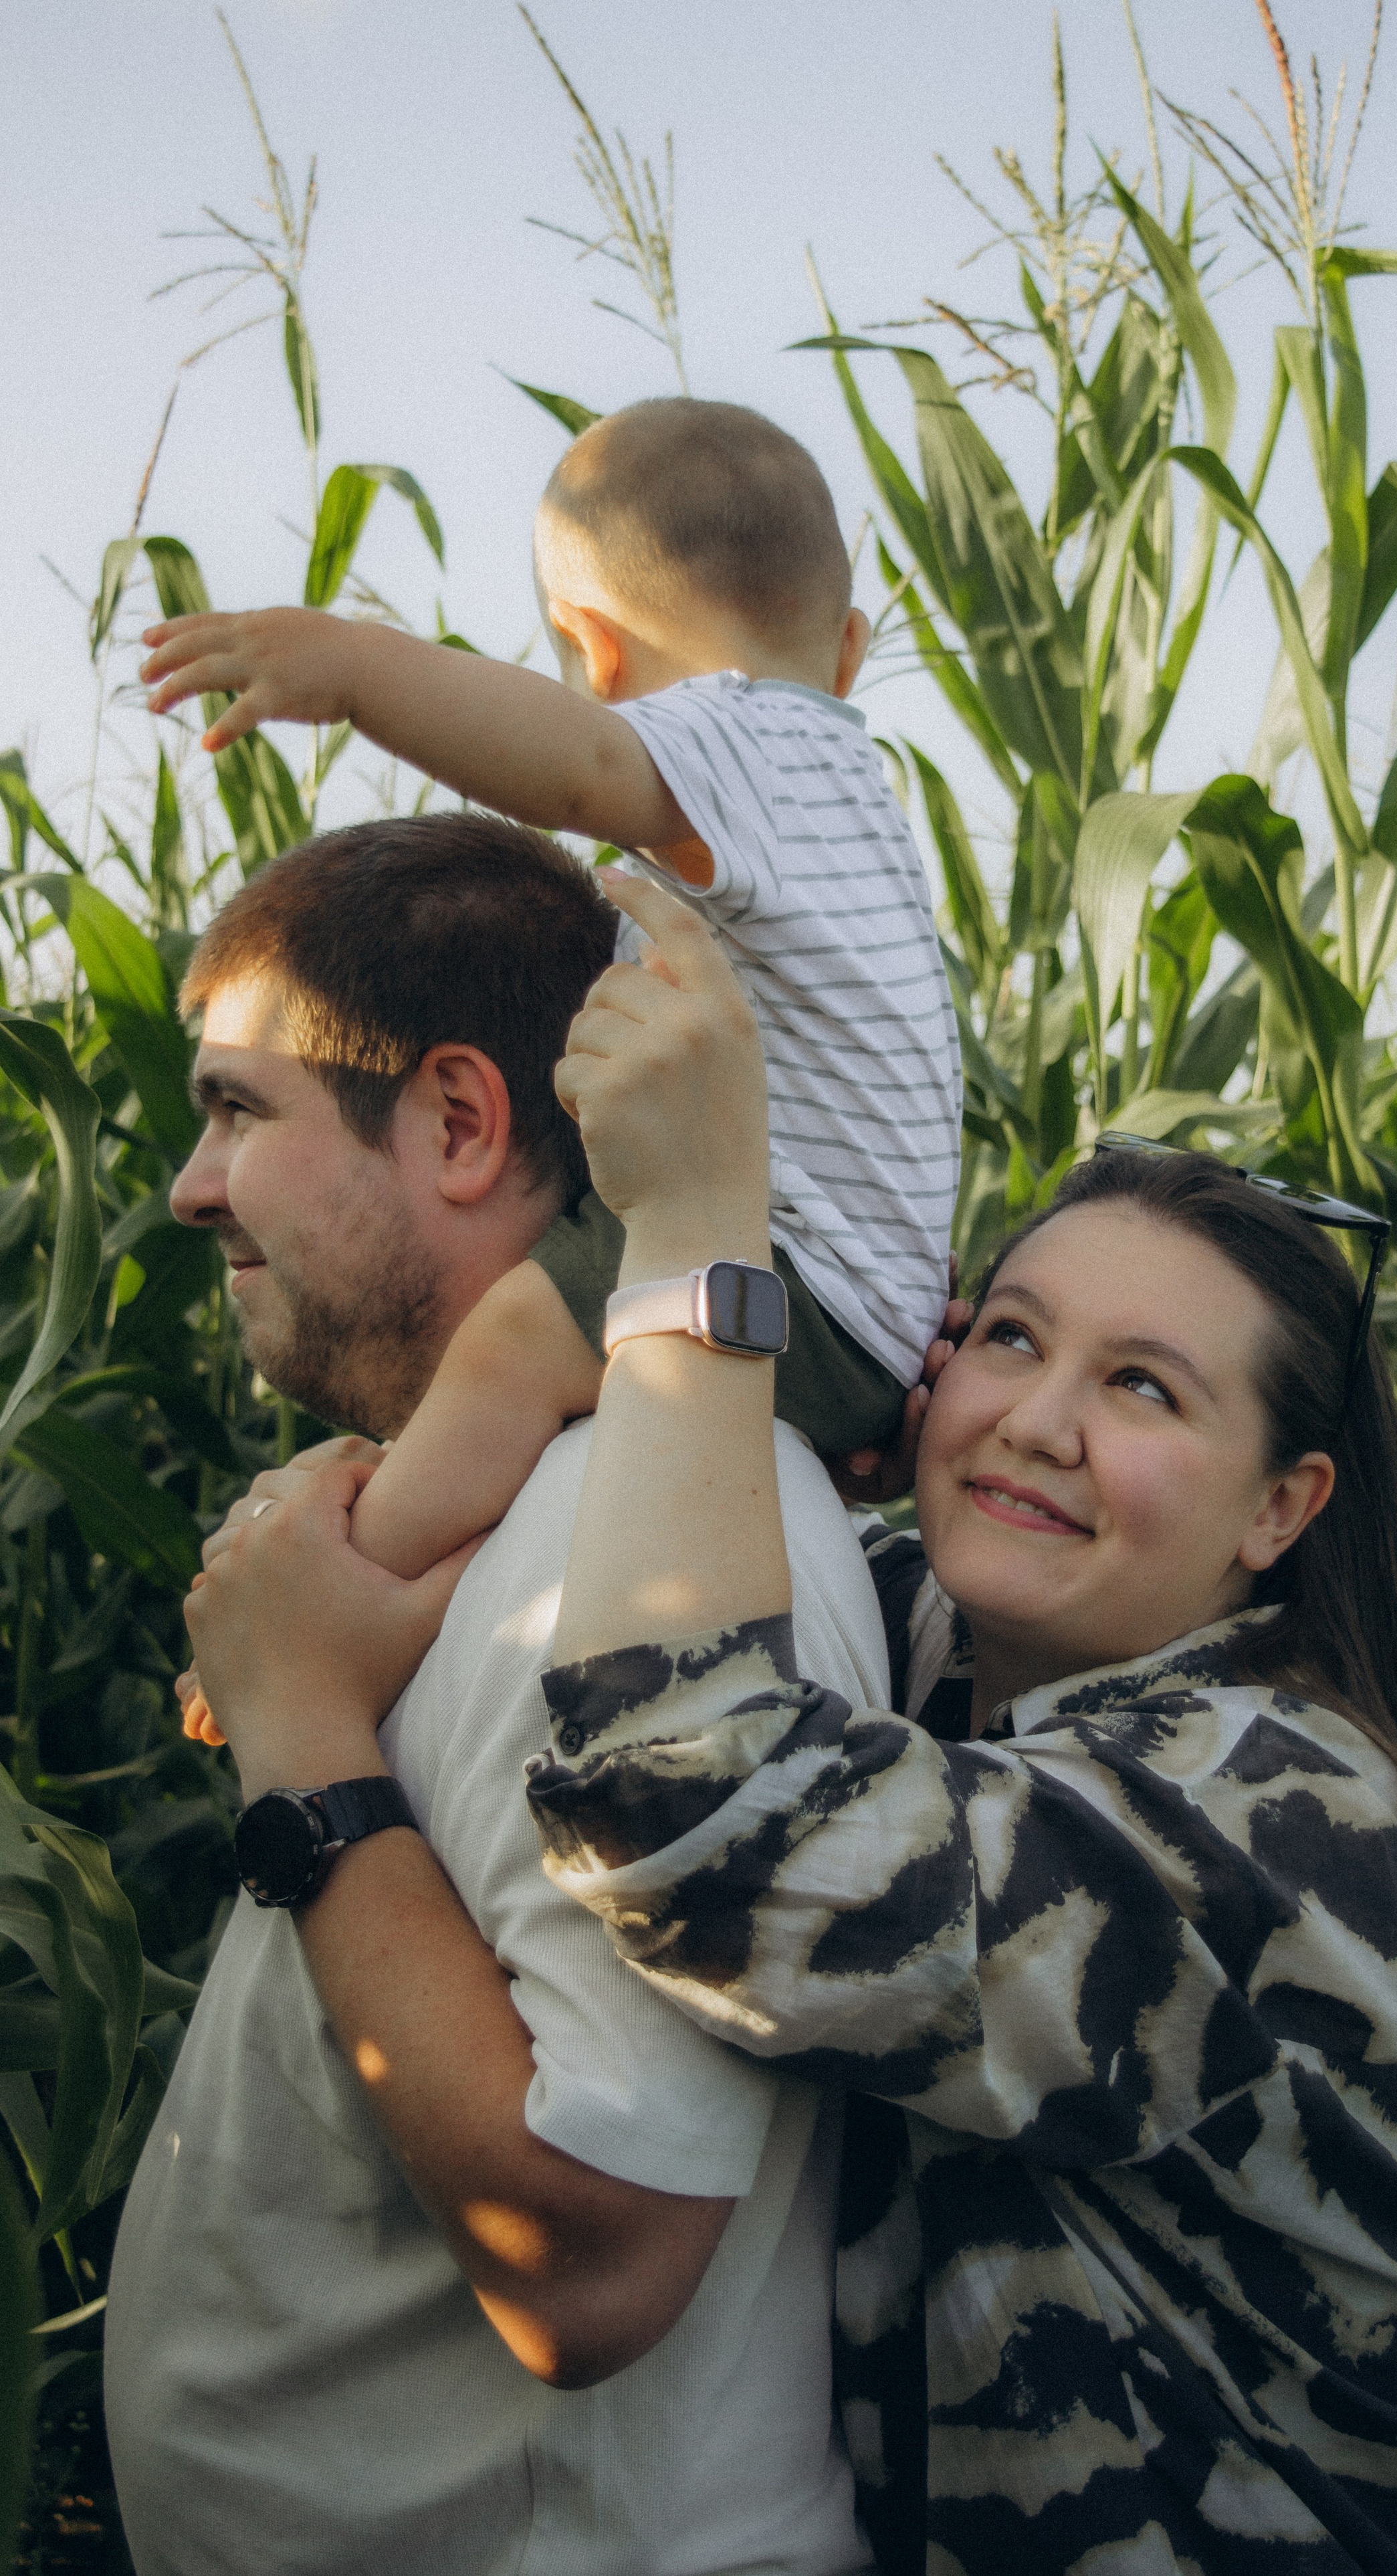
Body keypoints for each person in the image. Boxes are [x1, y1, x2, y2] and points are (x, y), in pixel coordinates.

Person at [187, 873, 1397, 2575]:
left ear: (1280, 1509)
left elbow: (693, 1804)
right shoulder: (950, 1642)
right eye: (1006, 1337)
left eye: (1141, 1387)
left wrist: (692, 1252)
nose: (1035, 1421)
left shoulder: (1283, 1813)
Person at [106, 813, 887, 2576]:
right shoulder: (473, 1514)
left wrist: (301, 1734)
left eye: (238, 1109)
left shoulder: (654, 1556)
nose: (187, 1183)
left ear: (460, 1121)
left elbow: (596, 2245)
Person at [138, 393, 962, 1591]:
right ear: (849, 646)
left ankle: (336, 1583)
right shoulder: (853, 801)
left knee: (513, 1347)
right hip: (868, 1310)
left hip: (787, 1275)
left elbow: (580, 768)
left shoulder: (749, 743)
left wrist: (355, 668)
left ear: (594, 651)